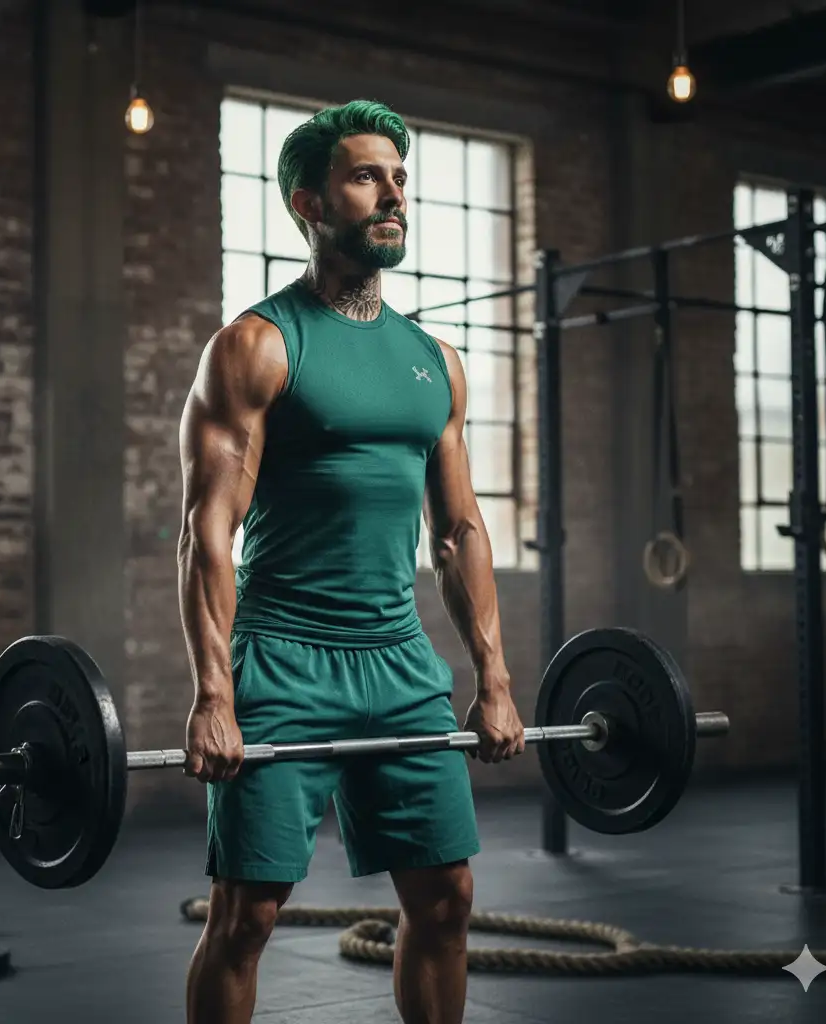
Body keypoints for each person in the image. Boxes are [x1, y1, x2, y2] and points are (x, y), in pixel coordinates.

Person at [177, 99, 525, 1024]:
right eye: (367, 177)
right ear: (309, 201)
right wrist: (215, 693)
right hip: (283, 659)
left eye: (399, 179)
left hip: (400, 663)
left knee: (447, 903)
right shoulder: (256, 345)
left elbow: (458, 532)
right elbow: (207, 531)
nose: (392, 196)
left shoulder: (432, 362)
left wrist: (492, 674)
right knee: (246, 918)